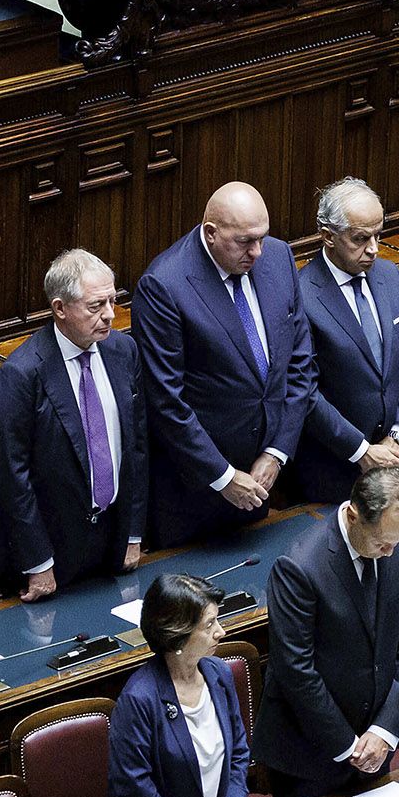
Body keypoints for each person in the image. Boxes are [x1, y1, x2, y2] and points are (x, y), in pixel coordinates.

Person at [135, 182, 313, 548]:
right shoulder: (164, 285)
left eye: (263, 237)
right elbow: (166, 400)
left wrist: (277, 452)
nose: (258, 251)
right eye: (246, 241)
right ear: (211, 233)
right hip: (194, 491)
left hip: (263, 477)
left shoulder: (277, 258)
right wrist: (223, 476)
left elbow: (299, 363)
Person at [253, 468, 399, 797]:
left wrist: (384, 731)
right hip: (310, 754)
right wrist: (349, 746)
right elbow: (295, 670)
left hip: (377, 745)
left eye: (398, 540)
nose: (391, 551)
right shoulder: (300, 567)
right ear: (353, 515)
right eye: (381, 542)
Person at [0, 249, 147, 601]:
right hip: (51, 555)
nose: (109, 315)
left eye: (112, 301)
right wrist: (38, 562)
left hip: (112, 544)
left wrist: (133, 534)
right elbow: (13, 477)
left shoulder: (123, 351)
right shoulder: (22, 374)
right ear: (60, 308)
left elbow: (136, 449)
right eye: (95, 306)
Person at [296, 178, 399, 503]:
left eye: (378, 234)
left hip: (394, 460)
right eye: (360, 238)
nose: (374, 249)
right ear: (327, 237)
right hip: (332, 473)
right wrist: (362, 451)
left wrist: (398, 434)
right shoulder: (301, 296)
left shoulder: (390, 277)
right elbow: (304, 392)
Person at [109, 574, 250, 797]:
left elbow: (239, 752)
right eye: (209, 625)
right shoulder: (139, 699)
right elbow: (135, 790)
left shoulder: (220, 675)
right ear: (178, 635)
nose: (221, 631)